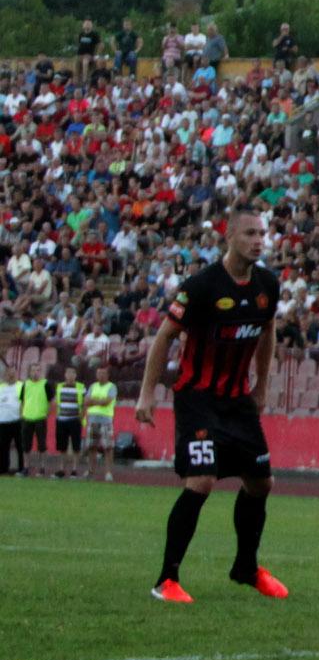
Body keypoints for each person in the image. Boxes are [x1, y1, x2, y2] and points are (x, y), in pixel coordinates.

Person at [135, 208, 288, 604]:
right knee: (201, 481)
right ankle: (166, 580)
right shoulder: (202, 286)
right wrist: (147, 394)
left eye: (262, 233)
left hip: (238, 399)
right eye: (250, 233)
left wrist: (262, 386)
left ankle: (246, 568)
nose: (259, 240)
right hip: (198, 398)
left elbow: (268, 331)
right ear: (229, 236)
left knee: (261, 483)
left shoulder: (267, 284)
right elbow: (164, 337)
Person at [84, 364, 118, 481]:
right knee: (91, 447)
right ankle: (91, 471)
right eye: (98, 373)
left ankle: (108, 472)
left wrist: (94, 401)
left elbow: (106, 402)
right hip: (92, 419)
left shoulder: (112, 387)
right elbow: (86, 401)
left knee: (108, 447)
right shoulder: (93, 386)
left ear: (107, 375)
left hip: (106, 420)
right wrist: (98, 401)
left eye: (103, 373)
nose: (100, 376)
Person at [51, 366, 85, 479]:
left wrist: (81, 416)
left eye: (73, 373)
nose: (70, 376)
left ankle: (74, 469)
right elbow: (56, 401)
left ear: (75, 375)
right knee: (62, 446)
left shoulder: (81, 387)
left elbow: (85, 403)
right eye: (68, 373)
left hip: (75, 419)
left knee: (76, 446)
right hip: (61, 419)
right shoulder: (59, 386)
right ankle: (62, 469)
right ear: (65, 375)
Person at [17, 362, 49, 476]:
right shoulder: (25, 384)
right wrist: (21, 414)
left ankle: (42, 468)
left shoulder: (45, 384)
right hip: (27, 418)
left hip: (40, 418)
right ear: (29, 372)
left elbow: (51, 401)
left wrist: (46, 413)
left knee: (42, 445)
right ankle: (26, 467)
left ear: (40, 372)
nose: (35, 373)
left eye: (38, 370)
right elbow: (22, 400)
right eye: (33, 370)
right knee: (26, 445)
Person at [0, 360, 23, 476]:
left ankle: (21, 468)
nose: (10, 375)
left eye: (13, 373)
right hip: (3, 421)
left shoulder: (21, 386)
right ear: (5, 374)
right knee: (3, 447)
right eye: (9, 373)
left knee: (20, 446)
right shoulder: (1, 387)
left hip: (17, 420)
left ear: (17, 374)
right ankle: (3, 469)